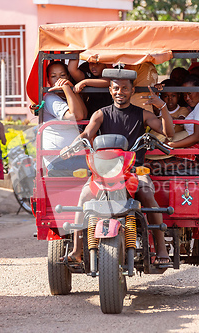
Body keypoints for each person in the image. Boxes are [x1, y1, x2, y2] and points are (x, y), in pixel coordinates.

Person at [62, 72, 175, 265]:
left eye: (124, 88)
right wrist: (70, 147)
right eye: (116, 88)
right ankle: (76, 250)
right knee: (84, 196)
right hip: (104, 173)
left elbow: (168, 132)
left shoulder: (143, 114)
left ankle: (161, 249)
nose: (120, 92)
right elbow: (87, 134)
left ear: (132, 90)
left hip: (134, 171)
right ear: (110, 91)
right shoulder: (101, 114)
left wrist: (162, 107)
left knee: (147, 194)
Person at [39, 61, 88, 172]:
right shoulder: (50, 98)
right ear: (48, 80)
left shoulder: (66, 96)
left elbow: (84, 114)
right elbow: (76, 116)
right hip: (58, 159)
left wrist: (72, 90)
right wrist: (66, 87)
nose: (58, 80)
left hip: (73, 156)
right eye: (53, 76)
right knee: (97, 165)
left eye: (62, 75)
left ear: (68, 76)